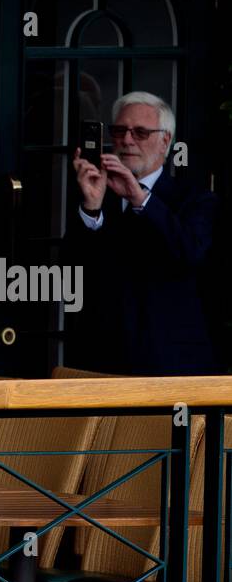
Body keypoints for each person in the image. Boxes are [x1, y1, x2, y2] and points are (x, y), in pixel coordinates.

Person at [65, 91, 219, 374]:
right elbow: (71, 273)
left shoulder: (194, 199)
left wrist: (141, 200)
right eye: (120, 130)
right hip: (102, 362)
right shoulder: (96, 191)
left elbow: (190, 252)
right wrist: (91, 209)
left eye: (141, 132)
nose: (126, 140)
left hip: (170, 365)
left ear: (165, 141)